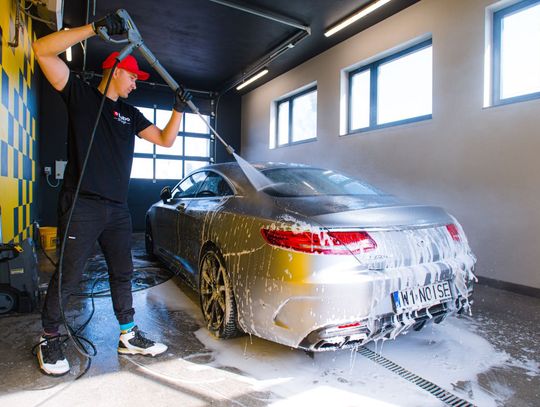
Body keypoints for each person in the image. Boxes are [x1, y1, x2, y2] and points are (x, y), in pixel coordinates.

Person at [32, 12, 192, 376]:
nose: (136, 83)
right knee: (69, 276)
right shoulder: (80, 95)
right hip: (82, 205)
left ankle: (128, 333)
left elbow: (166, 140)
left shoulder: (130, 115)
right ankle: (49, 336)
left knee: (123, 273)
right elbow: (41, 50)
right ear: (116, 69)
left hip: (117, 209)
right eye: (133, 76)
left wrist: (178, 110)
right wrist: (93, 29)